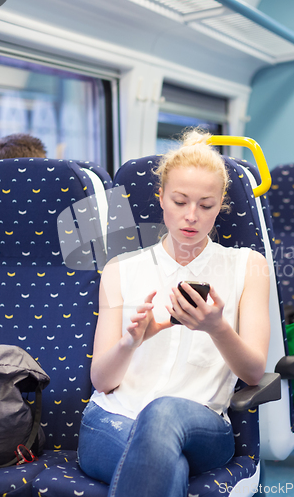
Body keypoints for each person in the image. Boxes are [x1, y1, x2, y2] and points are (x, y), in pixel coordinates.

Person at [77, 129, 271, 496]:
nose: (191, 217)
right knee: (167, 466)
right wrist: (131, 342)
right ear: (161, 198)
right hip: (112, 420)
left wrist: (217, 329)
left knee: (163, 413)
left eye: (206, 205)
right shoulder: (120, 268)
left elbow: (253, 371)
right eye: (180, 201)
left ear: (221, 205)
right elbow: (102, 380)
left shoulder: (248, 267)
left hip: (202, 424)